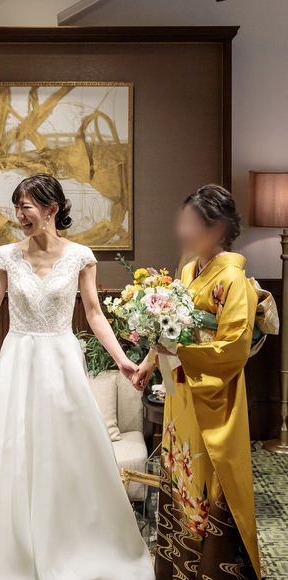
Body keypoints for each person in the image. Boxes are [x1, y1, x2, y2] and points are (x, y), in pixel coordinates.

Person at [0, 174, 154, 579]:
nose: (19, 215)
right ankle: (7, 545)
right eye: (17, 208)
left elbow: (94, 313)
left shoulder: (80, 257)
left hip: (61, 362)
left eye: (25, 207)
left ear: (51, 209)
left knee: (67, 451)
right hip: (19, 360)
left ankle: (70, 543)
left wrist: (123, 360)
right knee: (10, 448)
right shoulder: (6, 256)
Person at [132, 185, 261, 579]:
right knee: (179, 470)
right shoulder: (189, 271)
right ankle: (178, 567)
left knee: (207, 479)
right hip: (181, 392)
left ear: (217, 228)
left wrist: (183, 352)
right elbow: (169, 329)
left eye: (192, 223)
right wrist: (150, 360)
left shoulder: (233, 279)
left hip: (213, 395)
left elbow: (234, 347)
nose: (183, 231)